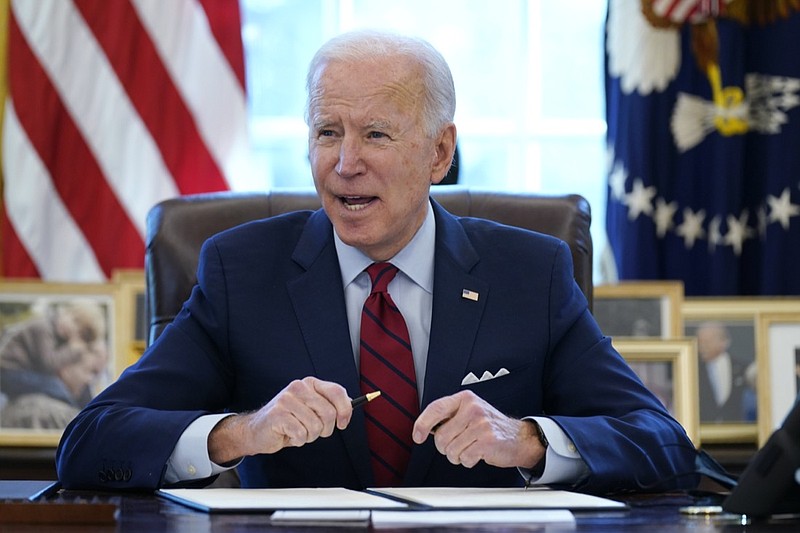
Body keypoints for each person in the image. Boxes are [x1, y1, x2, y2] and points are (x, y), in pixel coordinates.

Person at [56, 30, 698, 494]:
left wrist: (528, 440)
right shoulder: (240, 270)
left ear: (440, 153)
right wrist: (238, 434)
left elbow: (664, 442)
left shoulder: (529, 273)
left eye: (377, 134)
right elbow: (91, 442)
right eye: (326, 132)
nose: (344, 164)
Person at [0, 301, 109, 429]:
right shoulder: (43, 329)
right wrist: (73, 349)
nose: (89, 380)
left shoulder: (53, 333)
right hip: (9, 371)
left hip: (18, 373)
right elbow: (48, 364)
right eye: (91, 371)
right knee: (54, 386)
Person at [695, 321, 753, 423]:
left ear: (724, 342)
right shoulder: (692, 370)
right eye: (700, 342)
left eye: (707, 342)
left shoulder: (743, 368)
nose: (702, 347)